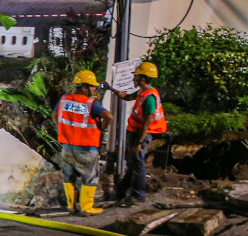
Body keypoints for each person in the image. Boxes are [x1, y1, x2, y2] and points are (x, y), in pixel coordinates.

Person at [55, 70, 114, 216]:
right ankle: (86, 208)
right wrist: (102, 127)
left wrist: (62, 129)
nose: (94, 89)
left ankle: (70, 206)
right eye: (92, 87)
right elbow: (108, 116)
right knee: (90, 177)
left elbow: (54, 115)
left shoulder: (64, 100)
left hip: (67, 146)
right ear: (84, 87)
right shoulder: (90, 104)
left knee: (69, 177)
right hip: (86, 148)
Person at [113, 61, 167, 206]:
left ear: (142, 79)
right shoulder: (143, 92)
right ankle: (121, 191)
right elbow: (126, 97)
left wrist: (139, 142)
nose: (133, 79)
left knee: (137, 162)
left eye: (136, 77)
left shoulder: (149, 98)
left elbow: (147, 123)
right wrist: (111, 89)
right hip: (136, 131)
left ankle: (138, 194)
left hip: (142, 133)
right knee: (133, 163)